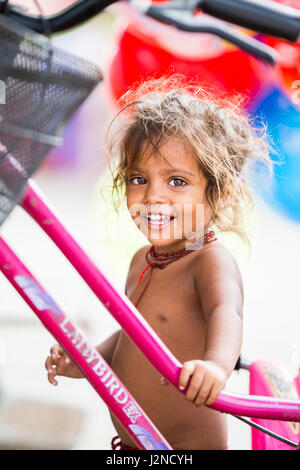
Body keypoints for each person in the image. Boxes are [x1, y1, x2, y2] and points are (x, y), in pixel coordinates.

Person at [44, 76, 273, 450]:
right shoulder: (141, 260)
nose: (153, 196)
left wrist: (216, 366)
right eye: (138, 179)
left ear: (221, 192)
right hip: (136, 445)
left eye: (177, 182)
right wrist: (85, 360)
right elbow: (136, 336)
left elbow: (226, 315)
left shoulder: (209, 260)